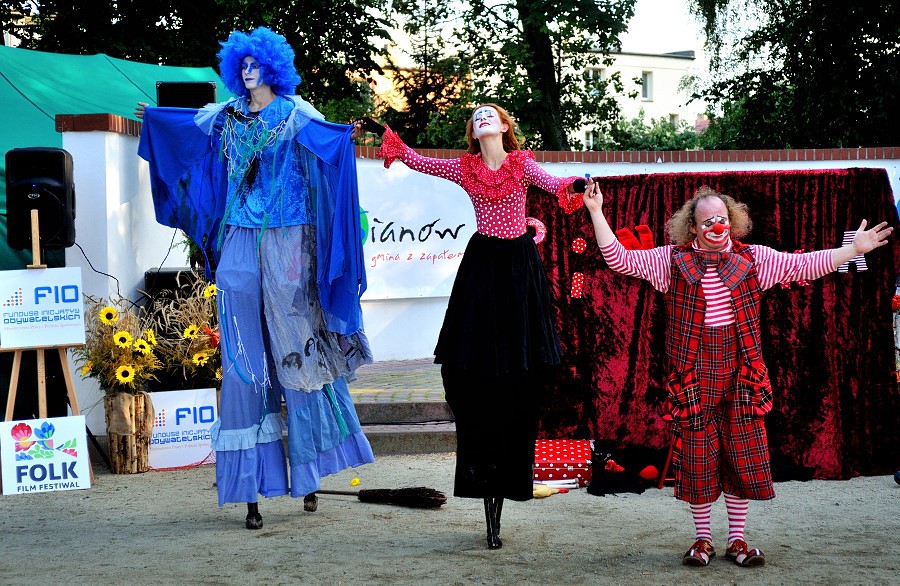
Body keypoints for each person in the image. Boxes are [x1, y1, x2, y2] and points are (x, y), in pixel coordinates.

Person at [137, 27, 374, 529]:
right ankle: (251, 487)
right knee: (243, 355)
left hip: (290, 238)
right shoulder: (225, 115)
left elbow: (327, 147)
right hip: (241, 235)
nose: (247, 72)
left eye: (255, 65)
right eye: (241, 65)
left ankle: (308, 473)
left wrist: (344, 135)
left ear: (273, 69)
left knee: (295, 345)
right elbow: (186, 131)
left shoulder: (296, 113)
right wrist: (154, 119)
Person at [582, 183, 892, 567]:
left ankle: (737, 540)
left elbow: (806, 264)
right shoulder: (670, 261)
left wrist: (853, 250)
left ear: (732, 221)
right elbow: (619, 259)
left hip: (742, 372)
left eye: (722, 219)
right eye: (707, 221)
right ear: (692, 228)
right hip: (693, 374)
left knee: (741, 457)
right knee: (698, 459)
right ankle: (702, 540)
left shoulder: (754, 259)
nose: (716, 226)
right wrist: (596, 211)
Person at [362, 104, 585, 549]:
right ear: (474, 131)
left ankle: (508, 466)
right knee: (478, 363)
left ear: (504, 125)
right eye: (477, 115)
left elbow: (555, 185)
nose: (483, 117)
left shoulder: (522, 165)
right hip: (483, 266)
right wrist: (385, 133)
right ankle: (484, 474)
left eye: (491, 114)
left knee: (519, 366)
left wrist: (578, 184)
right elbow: (419, 161)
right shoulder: (465, 168)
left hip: (519, 267)